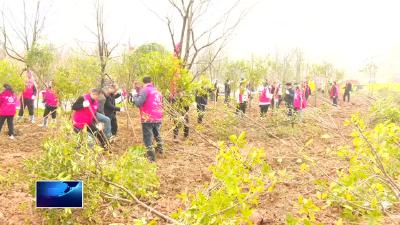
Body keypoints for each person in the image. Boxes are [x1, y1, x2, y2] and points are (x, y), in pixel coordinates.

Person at [131, 77, 163, 162]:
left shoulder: (145, 90)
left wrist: (134, 94)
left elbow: (138, 103)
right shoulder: (157, 91)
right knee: (157, 133)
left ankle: (151, 158)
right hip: (158, 116)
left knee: (147, 137)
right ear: (151, 82)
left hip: (148, 117)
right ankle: (160, 150)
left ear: (143, 83)